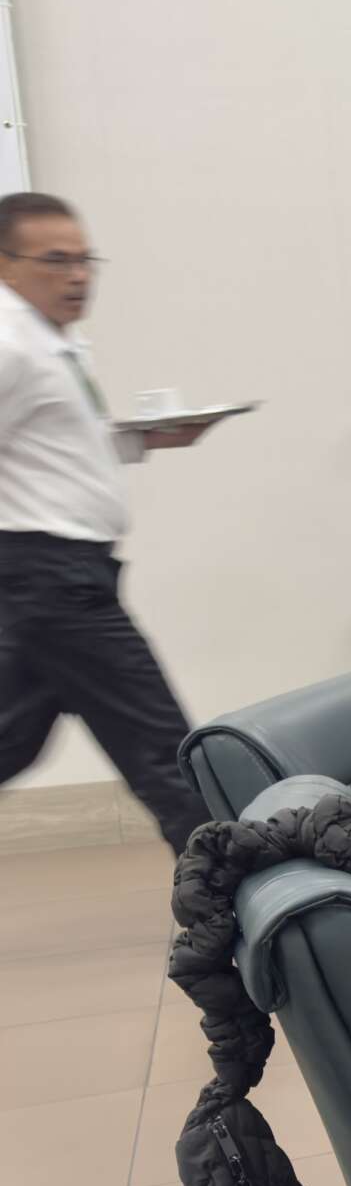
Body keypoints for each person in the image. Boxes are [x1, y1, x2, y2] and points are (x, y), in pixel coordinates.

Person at [0, 192, 222, 854]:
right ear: (6, 265)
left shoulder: (50, 341)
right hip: (54, 583)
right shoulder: (10, 345)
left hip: (59, 576)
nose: (78, 276)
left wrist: (141, 440)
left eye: (85, 259)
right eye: (56, 261)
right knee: (167, 755)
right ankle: (247, 916)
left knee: (11, 742)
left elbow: (50, 447)